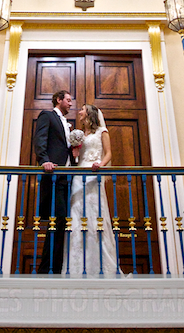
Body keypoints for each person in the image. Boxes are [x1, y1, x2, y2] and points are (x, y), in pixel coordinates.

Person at [66, 103, 118, 276]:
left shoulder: (102, 132)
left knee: (95, 214)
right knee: (77, 213)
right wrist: (75, 152)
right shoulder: (80, 135)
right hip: (79, 173)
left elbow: (109, 153)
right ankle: (75, 266)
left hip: (94, 172)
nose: (79, 112)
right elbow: (77, 156)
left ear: (89, 114)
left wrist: (100, 165)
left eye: (82, 109)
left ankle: (100, 265)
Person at [33, 89, 73, 274]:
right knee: (55, 221)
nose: (71, 104)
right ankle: (47, 269)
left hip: (67, 178)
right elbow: (40, 139)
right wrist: (44, 160)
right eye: (68, 100)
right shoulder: (47, 115)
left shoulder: (67, 123)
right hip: (54, 177)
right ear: (58, 100)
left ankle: (57, 266)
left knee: (62, 221)